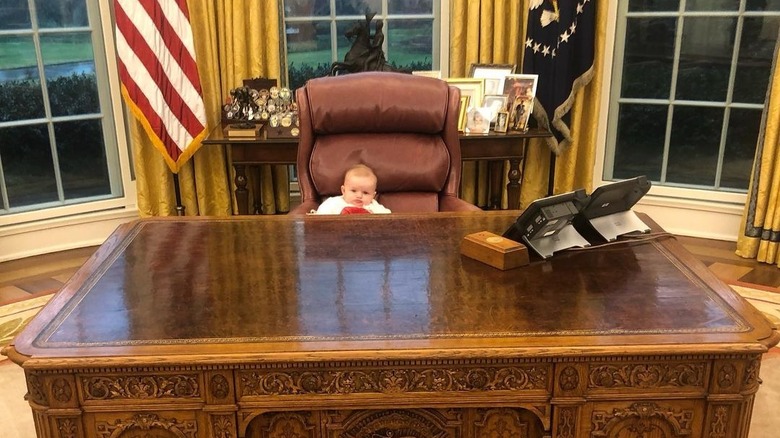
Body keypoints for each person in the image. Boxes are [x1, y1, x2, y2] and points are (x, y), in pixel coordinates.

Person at [315, 164, 392, 214]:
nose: (359, 196)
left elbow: (389, 219)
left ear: (373, 195)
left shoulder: (375, 207)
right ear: (343, 191)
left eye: (365, 193)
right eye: (353, 191)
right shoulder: (333, 203)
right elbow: (320, 219)